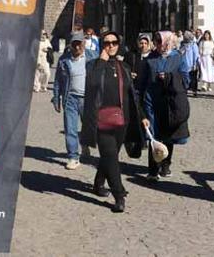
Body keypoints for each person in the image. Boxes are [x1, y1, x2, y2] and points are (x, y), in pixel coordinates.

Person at [81, 31, 149, 213]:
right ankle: (119, 195)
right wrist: (101, 62)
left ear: (119, 45)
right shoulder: (93, 65)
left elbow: (131, 94)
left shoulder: (123, 67)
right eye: (106, 43)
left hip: (121, 120)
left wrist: (142, 115)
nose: (110, 46)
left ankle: (98, 183)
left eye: (114, 42)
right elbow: (92, 85)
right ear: (101, 45)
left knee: (109, 156)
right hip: (101, 120)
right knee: (111, 156)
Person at [139, 31, 191, 181]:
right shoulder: (150, 59)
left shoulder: (178, 58)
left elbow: (186, 81)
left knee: (168, 134)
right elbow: (142, 83)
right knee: (153, 135)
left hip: (170, 103)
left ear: (167, 42)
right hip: (152, 102)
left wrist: (169, 78)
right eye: (155, 41)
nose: (157, 44)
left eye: (159, 41)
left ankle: (166, 165)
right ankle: (153, 170)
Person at [51, 31, 98, 170]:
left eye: (80, 44)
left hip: (87, 99)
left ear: (84, 43)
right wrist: (56, 98)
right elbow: (58, 81)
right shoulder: (64, 60)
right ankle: (73, 157)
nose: (77, 47)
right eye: (74, 44)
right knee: (70, 128)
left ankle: (85, 145)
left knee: (89, 127)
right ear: (70, 45)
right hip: (70, 98)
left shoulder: (92, 56)